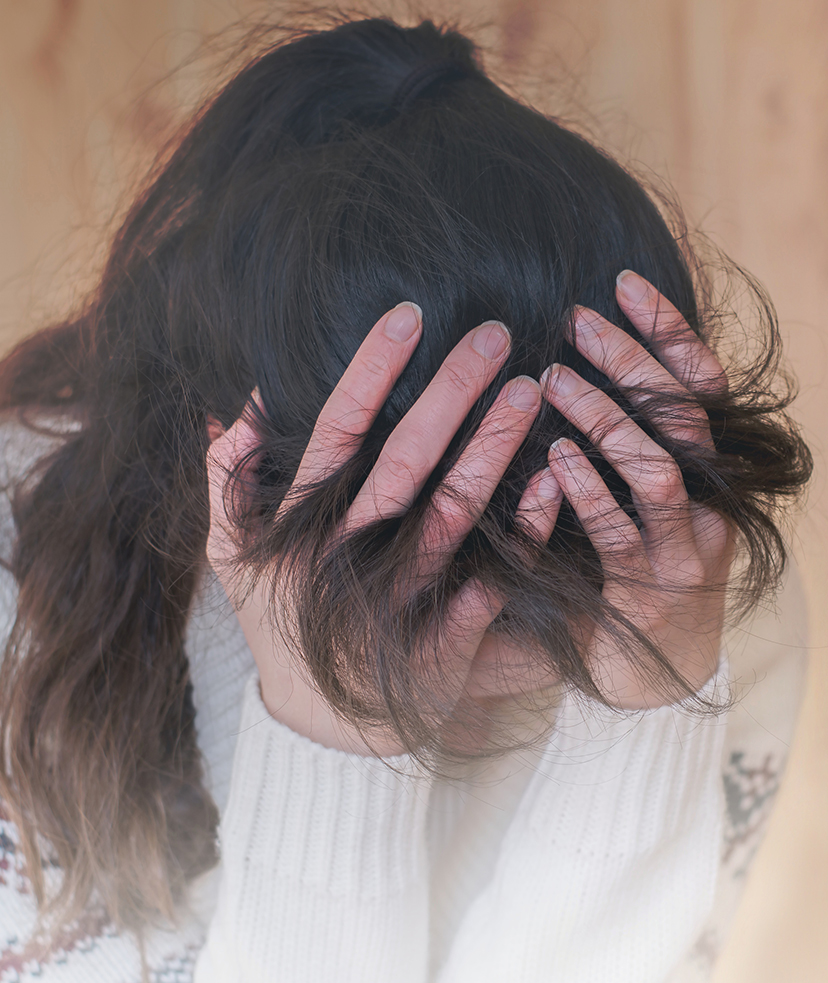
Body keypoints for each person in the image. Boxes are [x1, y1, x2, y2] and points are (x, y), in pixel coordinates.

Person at [0, 14, 812, 983]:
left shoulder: (688, 583)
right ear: (239, 483)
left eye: (558, 598)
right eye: (424, 580)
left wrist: (648, 711)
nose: (478, 654)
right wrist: (334, 738)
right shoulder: (22, 597)